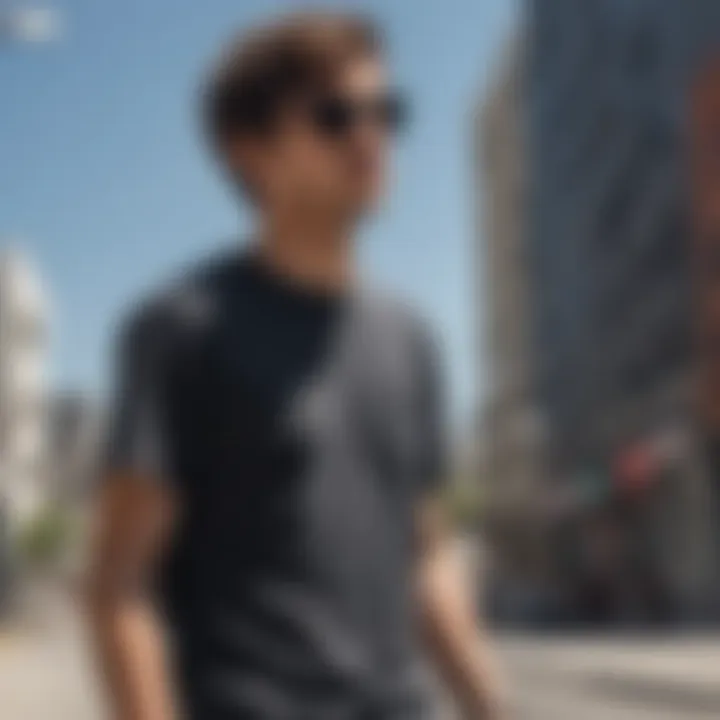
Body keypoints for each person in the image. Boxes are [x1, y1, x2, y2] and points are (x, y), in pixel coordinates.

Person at [87, 11, 503, 720]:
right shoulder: (180, 329)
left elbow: (426, 555)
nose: (370, 135)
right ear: (249, 151)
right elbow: (120, 585)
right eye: (335, 115)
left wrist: (493, 707)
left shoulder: (412, 339)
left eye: (385, 111)